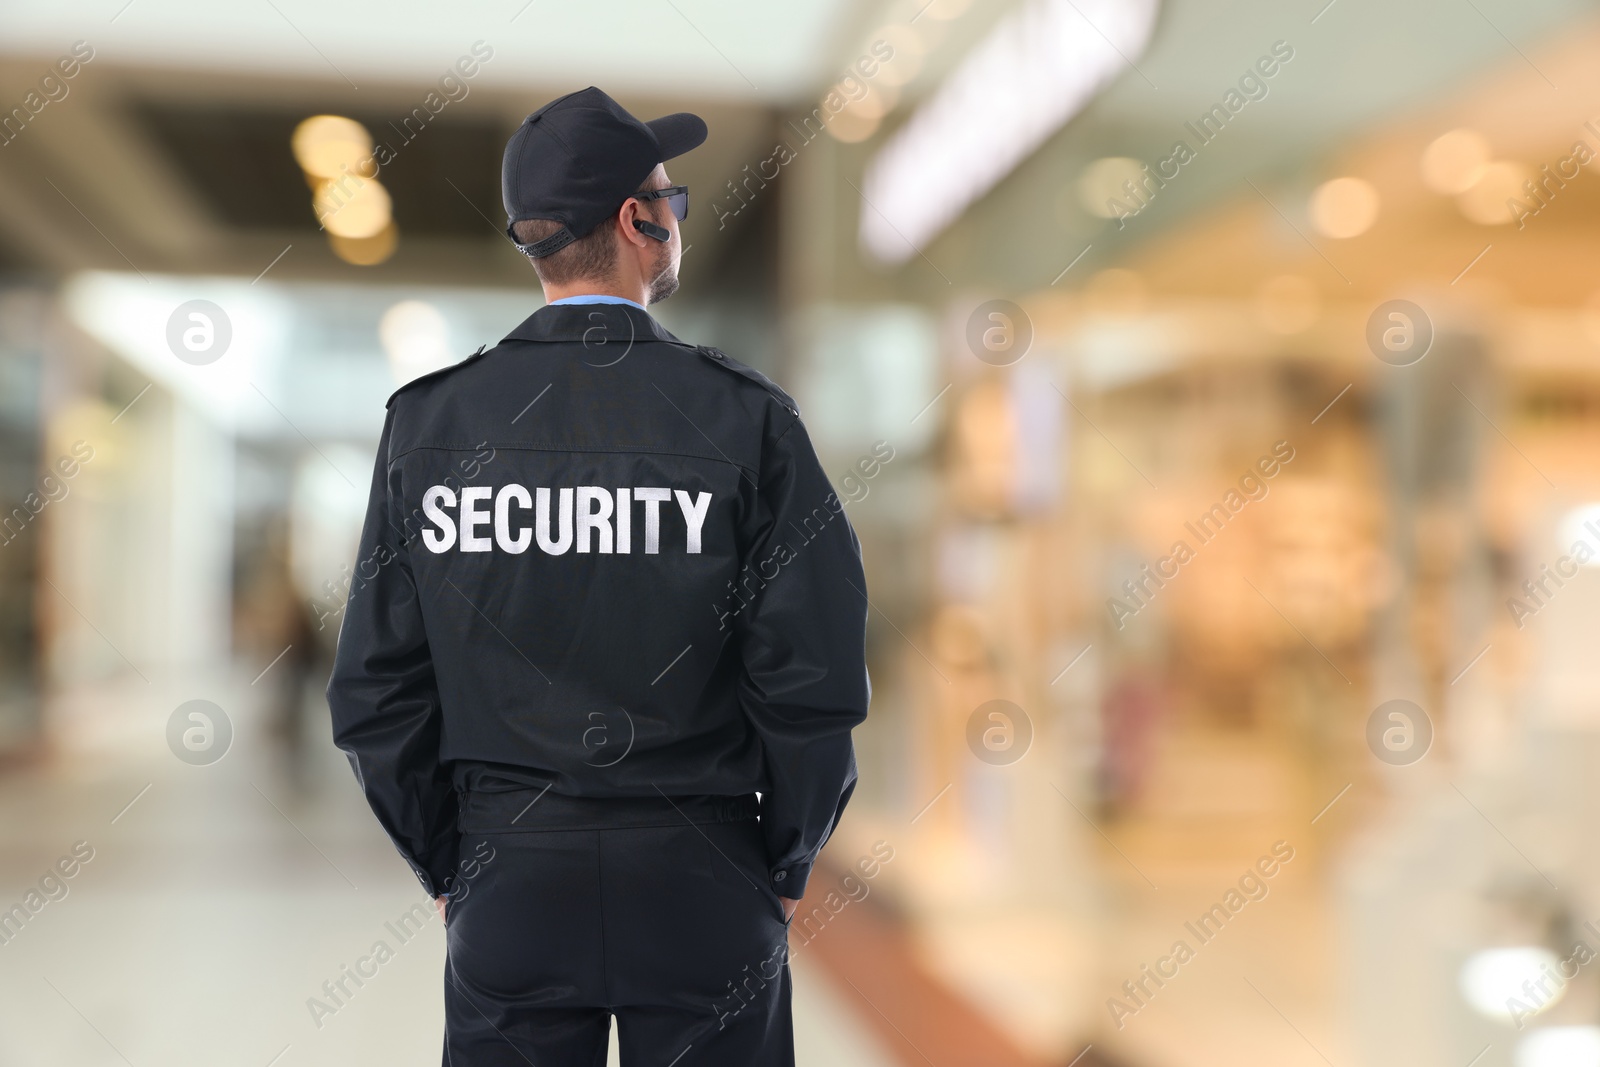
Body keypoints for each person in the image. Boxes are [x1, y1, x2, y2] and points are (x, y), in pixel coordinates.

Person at [326, 86, 870, 1066]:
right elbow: (811, 674)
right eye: (673, 197)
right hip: (702, 869)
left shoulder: (430, 426)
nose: (675, 215)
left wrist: (450, 858)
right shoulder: (747, 420)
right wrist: (784, 857)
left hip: (510, 869)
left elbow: (375, 690)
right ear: (636, 220)